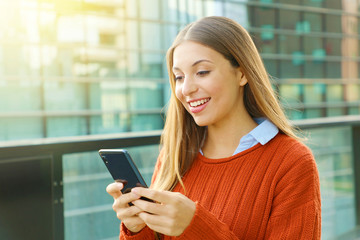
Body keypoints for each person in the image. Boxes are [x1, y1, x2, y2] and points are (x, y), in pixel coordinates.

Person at [106, 16, 321, 239]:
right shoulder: (174, 156)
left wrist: (195, 226)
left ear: (242, 73)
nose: (186, 89)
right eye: (179, 77)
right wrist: (137, 229)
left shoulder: (292, 162)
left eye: (202, 72)